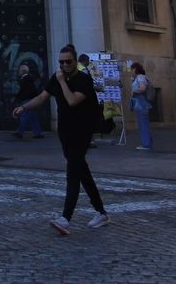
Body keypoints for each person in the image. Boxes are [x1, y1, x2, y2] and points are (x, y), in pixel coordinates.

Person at [13, 44, 107, 235]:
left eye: (68, 62)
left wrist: (63, 82)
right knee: (82, 172)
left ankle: (65, 218)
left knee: (73, 172)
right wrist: (24, 108)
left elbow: (72, 100)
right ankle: (101, 212)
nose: (64, 65)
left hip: (82, 131)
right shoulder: (56, 79)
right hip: (65, 131)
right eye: (61, 62)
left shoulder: (83, 80)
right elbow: (42, 97)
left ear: (74, 61)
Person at [13, 62, 44, 139]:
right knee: (33, 117)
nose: (18, 71)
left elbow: (23, 90)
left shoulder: (25, 79)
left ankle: (19, 132)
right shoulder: (27, 78)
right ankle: (37, 133)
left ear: (23, 71)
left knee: (24, 116)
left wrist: (16, 97)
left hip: (27, 100)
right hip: (31, 99)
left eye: (19, 70)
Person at [128, 62, 153, 151]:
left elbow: (142, 88)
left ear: (135, 69)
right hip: (141, 102)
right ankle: (147, 142)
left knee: (143, 123)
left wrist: (134, 91)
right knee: (143, 123)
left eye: (132, 69)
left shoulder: (140, 77)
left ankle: (146, 144)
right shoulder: (140, 77)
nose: (131, 71)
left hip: (141, 102)